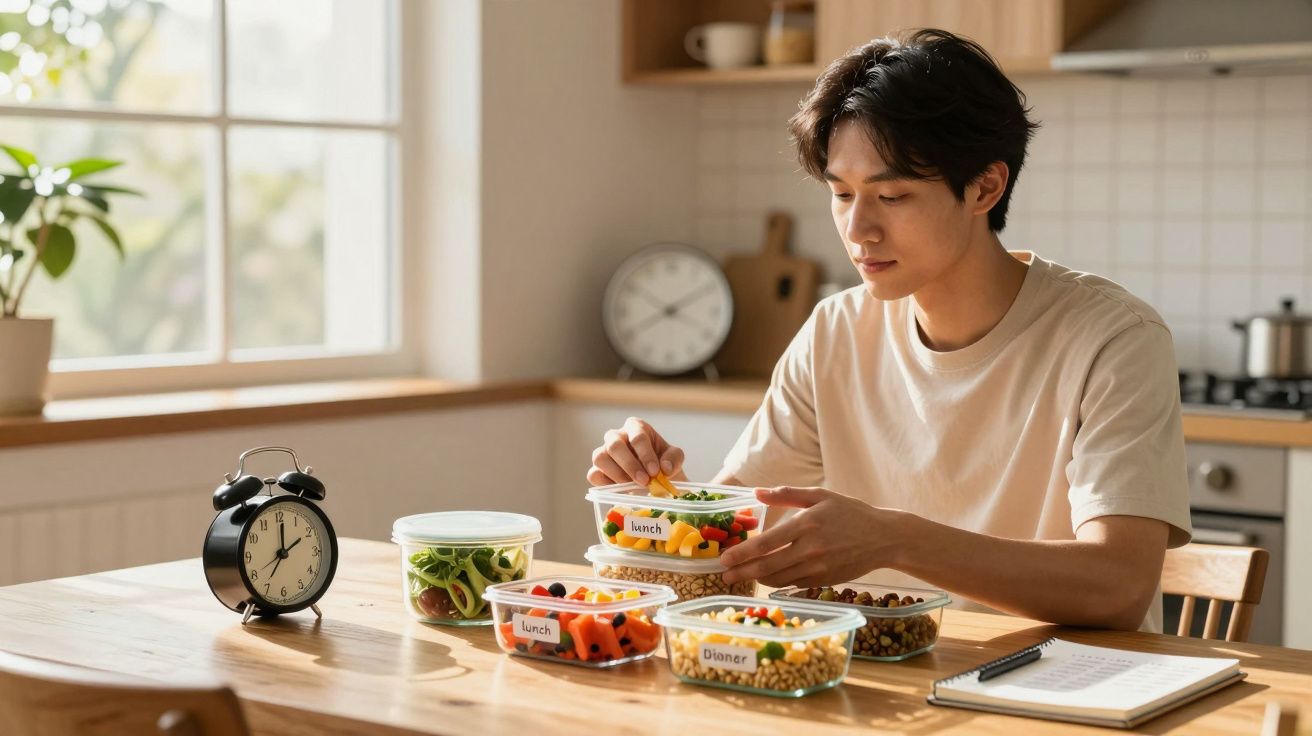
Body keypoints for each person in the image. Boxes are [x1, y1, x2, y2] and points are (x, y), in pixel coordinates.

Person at [588, 29, 1192, 632]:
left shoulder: (1114, 338)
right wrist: (654, 493)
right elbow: (736, 538)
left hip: (1068, 692)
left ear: (985, 187)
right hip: (879, 684)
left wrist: (896, 541)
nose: (858, 230)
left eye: (893, 195)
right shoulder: (835, 330)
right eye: (842, 194)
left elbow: (1118, 586)